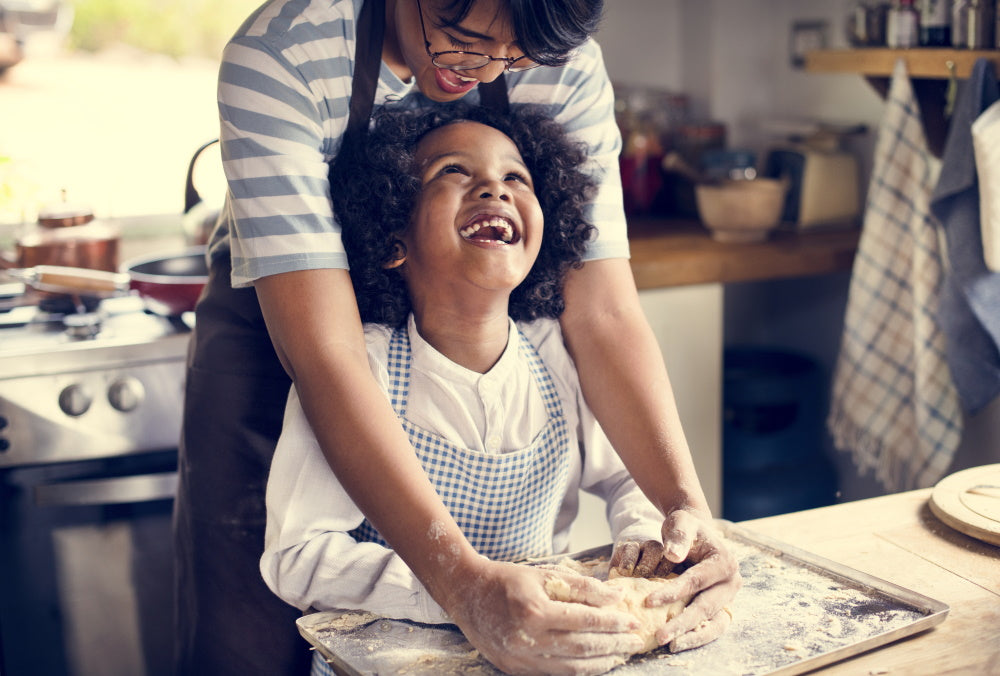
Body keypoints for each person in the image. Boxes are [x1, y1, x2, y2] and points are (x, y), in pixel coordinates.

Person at [175, 1, 741, 674]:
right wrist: (461, 586)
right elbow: (327, 353)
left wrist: (684, 509)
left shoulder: (559, 62)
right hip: (287, 323)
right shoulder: (284, 54)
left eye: (515, 58)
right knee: (248, 644)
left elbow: (604, 314)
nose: (484, 70)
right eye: (462, 41)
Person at [264, 103, 730, 676]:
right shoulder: (361, 368)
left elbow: (627, 475)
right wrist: (452, 593)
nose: (495, 188)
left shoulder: (559, 356)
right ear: (392, 238)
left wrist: (643, 542)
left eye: (516, 177)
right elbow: (298, 557)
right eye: (454, 172)